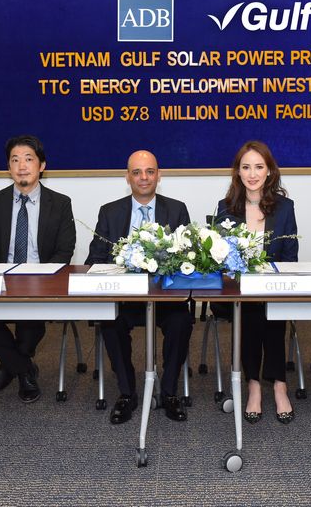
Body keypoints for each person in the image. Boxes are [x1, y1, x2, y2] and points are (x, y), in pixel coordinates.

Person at [86, 150, 193, 424]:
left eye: (149, 171)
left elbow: (188, 259)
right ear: (127, 177)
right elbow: (95, 258)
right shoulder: (109, 212)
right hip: (125, 297)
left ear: (159, 175)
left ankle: (168, 392)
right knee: (111, 321)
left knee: (182, 320)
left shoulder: (177, 209)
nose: (143, 178)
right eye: (136, 172)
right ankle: (127, 393)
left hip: (166, 297)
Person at [0, 135, 75, 403]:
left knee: (32, 317)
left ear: (41, 165)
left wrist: (39, 278)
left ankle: (11, 366)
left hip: (41, 281)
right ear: (8, 167)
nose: (21, 166)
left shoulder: (61, 203)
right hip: (2, 281)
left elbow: (64, 251)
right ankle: (23, 368)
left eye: (28, 159)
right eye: (15, 160)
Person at [215, 140, 299, 424]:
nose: (252, 174)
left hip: (274, 288)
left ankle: (278, 384)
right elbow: (219, 257)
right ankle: (253, 383)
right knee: (250, 309)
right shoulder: (225, 209)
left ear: (269, 171)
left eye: (259, 167)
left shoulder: (285, 208)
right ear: (237, 172)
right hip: (237, 292)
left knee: (271, 309)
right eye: (246, 167)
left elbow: (290, 256)